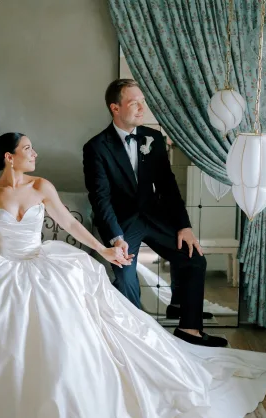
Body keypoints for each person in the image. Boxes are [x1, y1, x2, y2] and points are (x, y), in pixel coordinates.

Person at [0, 132, 266, 418]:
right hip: (5, 266)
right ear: (9, 157)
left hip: (41, 261)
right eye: (28, 148)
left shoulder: (41, 187)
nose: (35, 153)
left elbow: (70, 223)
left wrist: (104, 249)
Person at [83, 79, 224, 347]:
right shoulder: (96, 147)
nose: (141, 107)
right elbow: (100, 198)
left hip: (155, 217)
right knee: (125, 277)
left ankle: (189, 329)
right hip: (122, 223)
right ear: (115, 107)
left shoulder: (153, 138)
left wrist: (184, 226)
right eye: (133, 102)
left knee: (194, 258)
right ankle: (138, 337)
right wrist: (115, 237)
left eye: (142, 101)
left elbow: (168, 186)